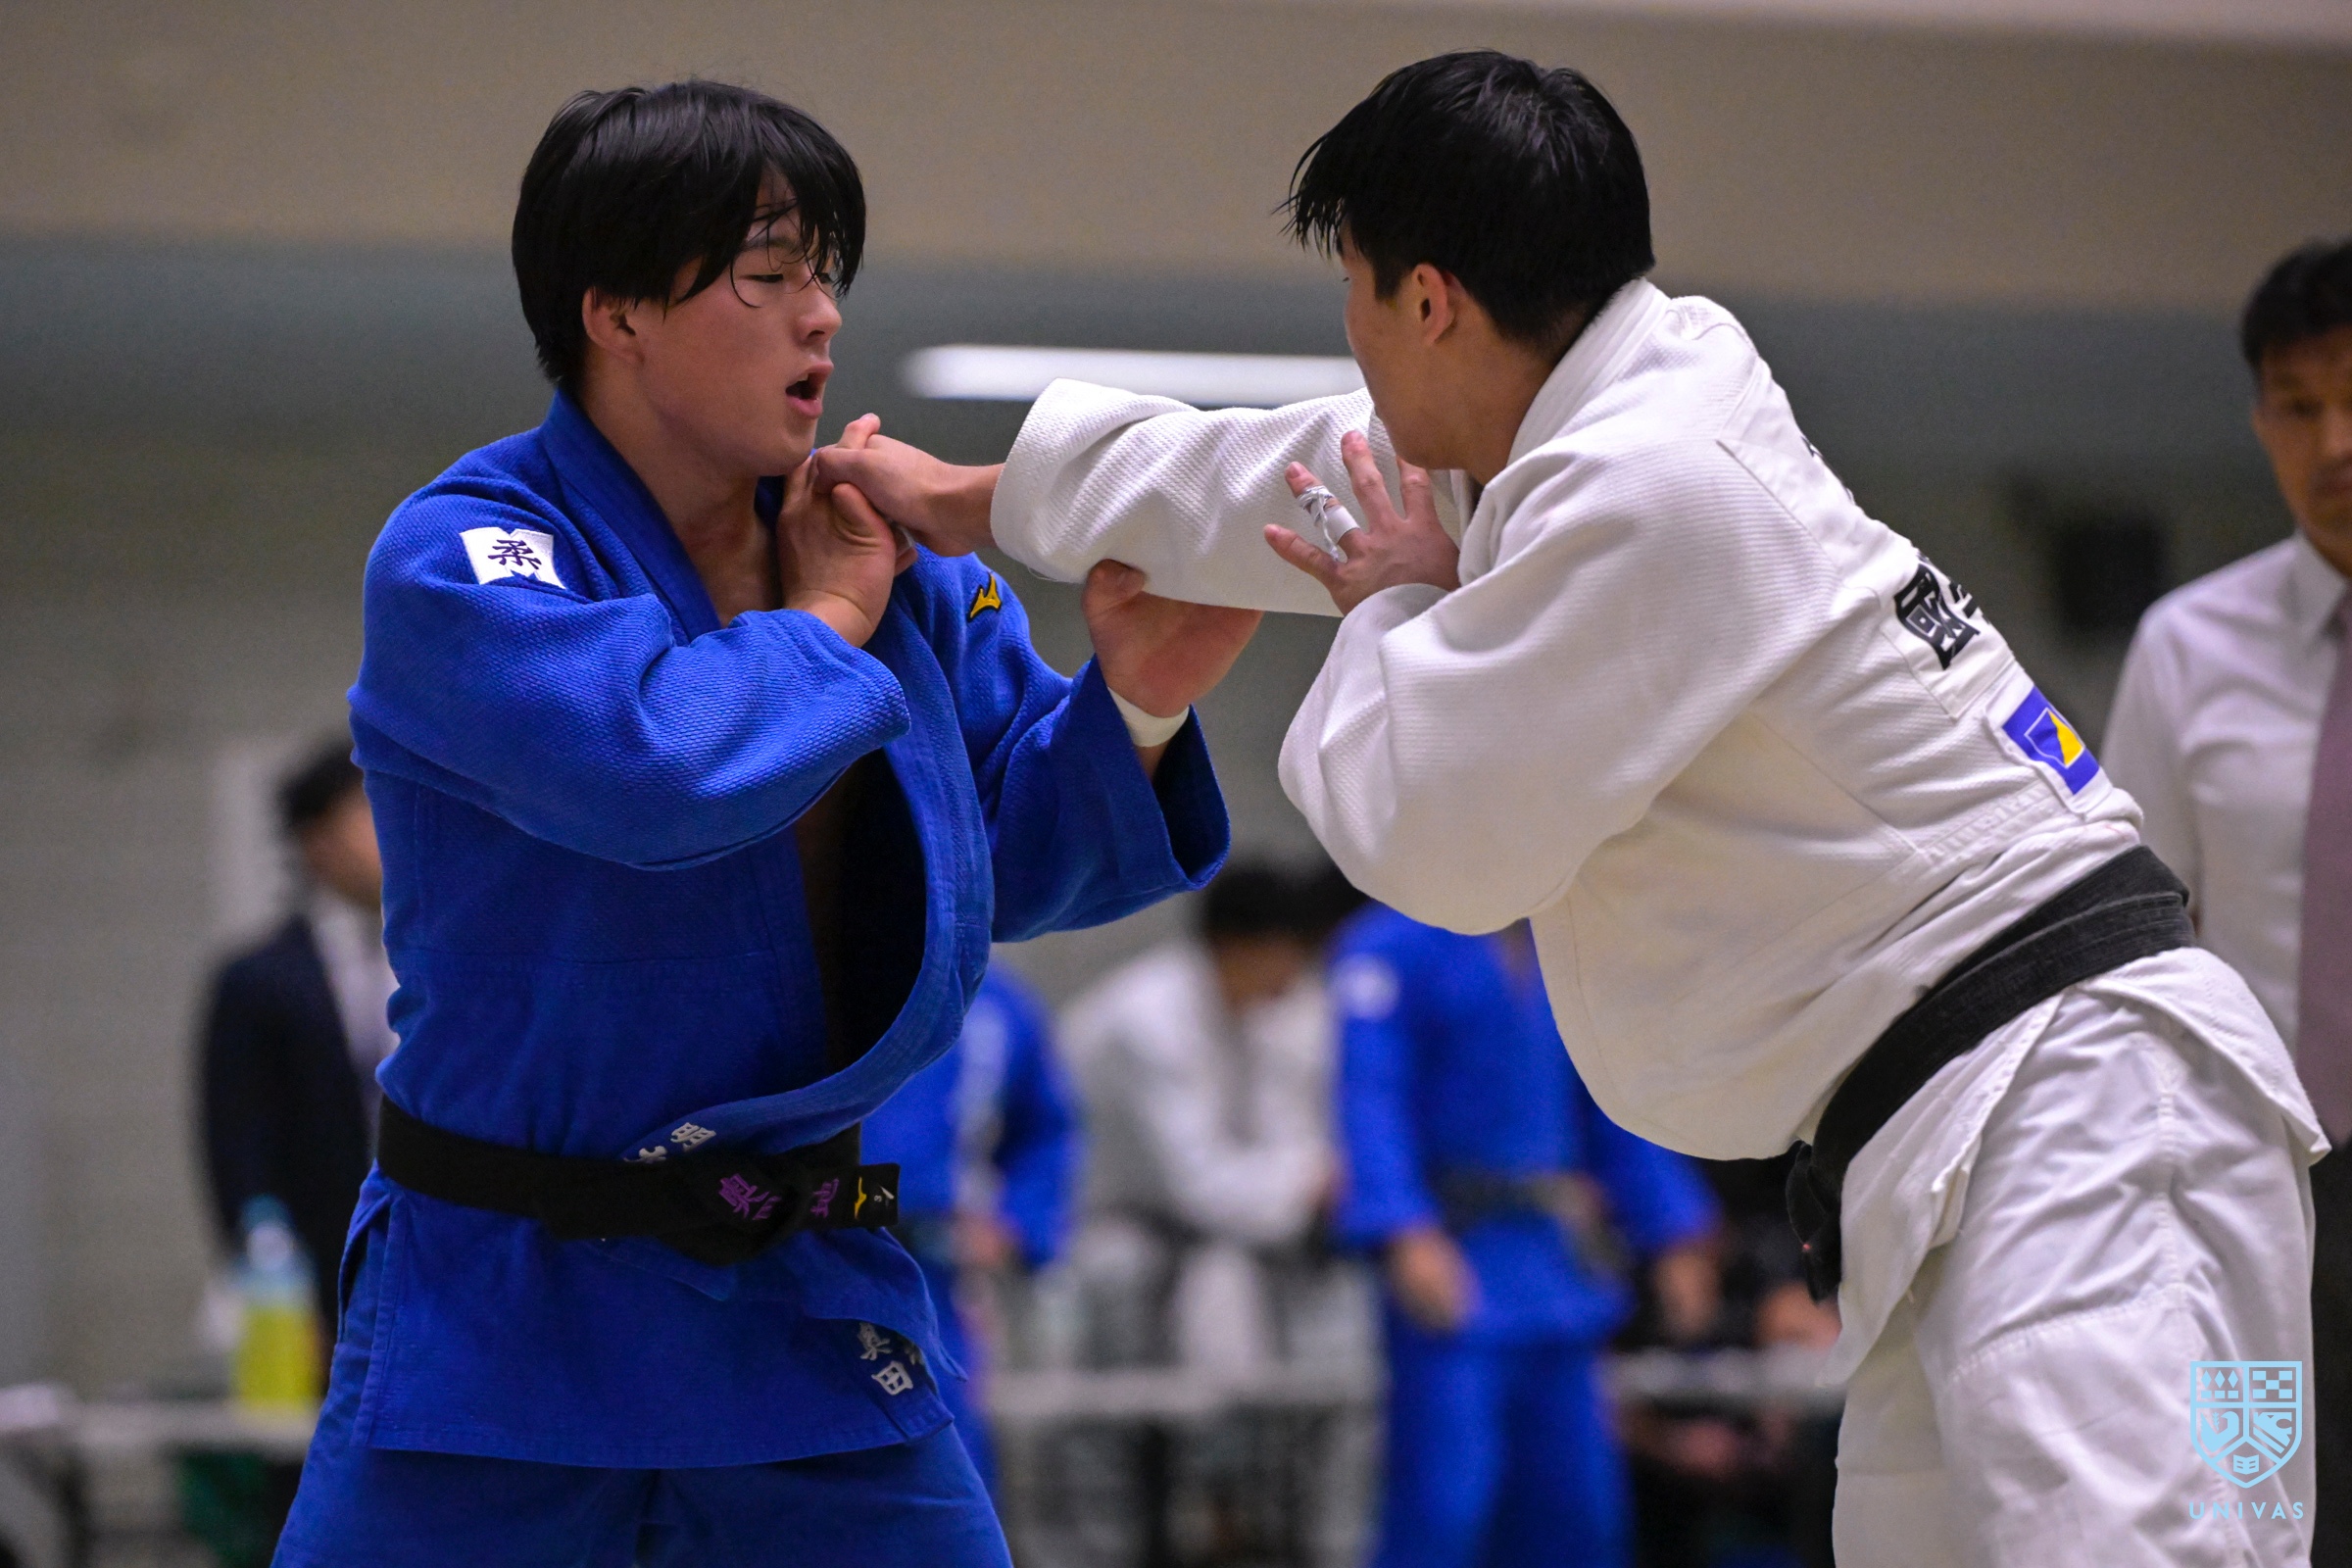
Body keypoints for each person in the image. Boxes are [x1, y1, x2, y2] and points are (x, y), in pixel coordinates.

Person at [815, 50, 2324, 1565]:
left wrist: (1396, 606)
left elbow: (1430, 833)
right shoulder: (1596, 418)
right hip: (1981, 1124)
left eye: (1351, 290)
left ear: (1426, 300)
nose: (1351, 338)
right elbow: (1282, 479)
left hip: (2093, 1116)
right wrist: (978, 498)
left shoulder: (1658, 488)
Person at [270, 81, 1255, 1568]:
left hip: (795, 1292)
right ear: (617, 311)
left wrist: (1138, 699)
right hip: (504, 1308)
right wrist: (831, 616)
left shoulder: (900, 570)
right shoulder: (470, 553)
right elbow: (653, 773)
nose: (823, 316)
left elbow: (1006, 865)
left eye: (827, 274)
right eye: (769, 273)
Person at [2105, 237, 2352, 1567]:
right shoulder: (2187, 647)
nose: (2335, 443)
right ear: (2261, 420)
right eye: (2300, 407)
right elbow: (2133, 950)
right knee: (2243, 1524)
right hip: (2246, 1195)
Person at [1329, 906, 1718, 1568]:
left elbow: (1612, 1102)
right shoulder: (1387, 948)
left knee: (1578, 1513)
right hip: (1453, 1259)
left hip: (1554, 1269)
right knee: (1444, 1508)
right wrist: (1403, 1229)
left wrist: (1673, 1232)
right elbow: (1370, 1097)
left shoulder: (1565, 942)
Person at [1060, 864, 1342, 1373]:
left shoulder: (1258, 1012)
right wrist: (1313, 1180)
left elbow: (1279, 1137)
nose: (1296, 974)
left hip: (1185, 1227)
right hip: (1090, 1227)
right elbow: (1201, 1188)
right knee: (1182, 1279)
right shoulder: (1146, 1023)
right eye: (1289, 955)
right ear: (1239, 947)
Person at [198, 739, 394, 1335]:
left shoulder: (445, 965)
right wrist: (271, 1280)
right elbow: (239, 1144)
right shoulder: (260, 980)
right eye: (369, 813)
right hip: (319, 1267)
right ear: (318, 841)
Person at [862, 964, 1078, 1493]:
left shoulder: (997, 1004)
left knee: (943, 1457)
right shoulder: (811, 972)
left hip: (931, 1271)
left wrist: (1017, 1224)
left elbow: (1045, 1132)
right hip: (790, 1251)